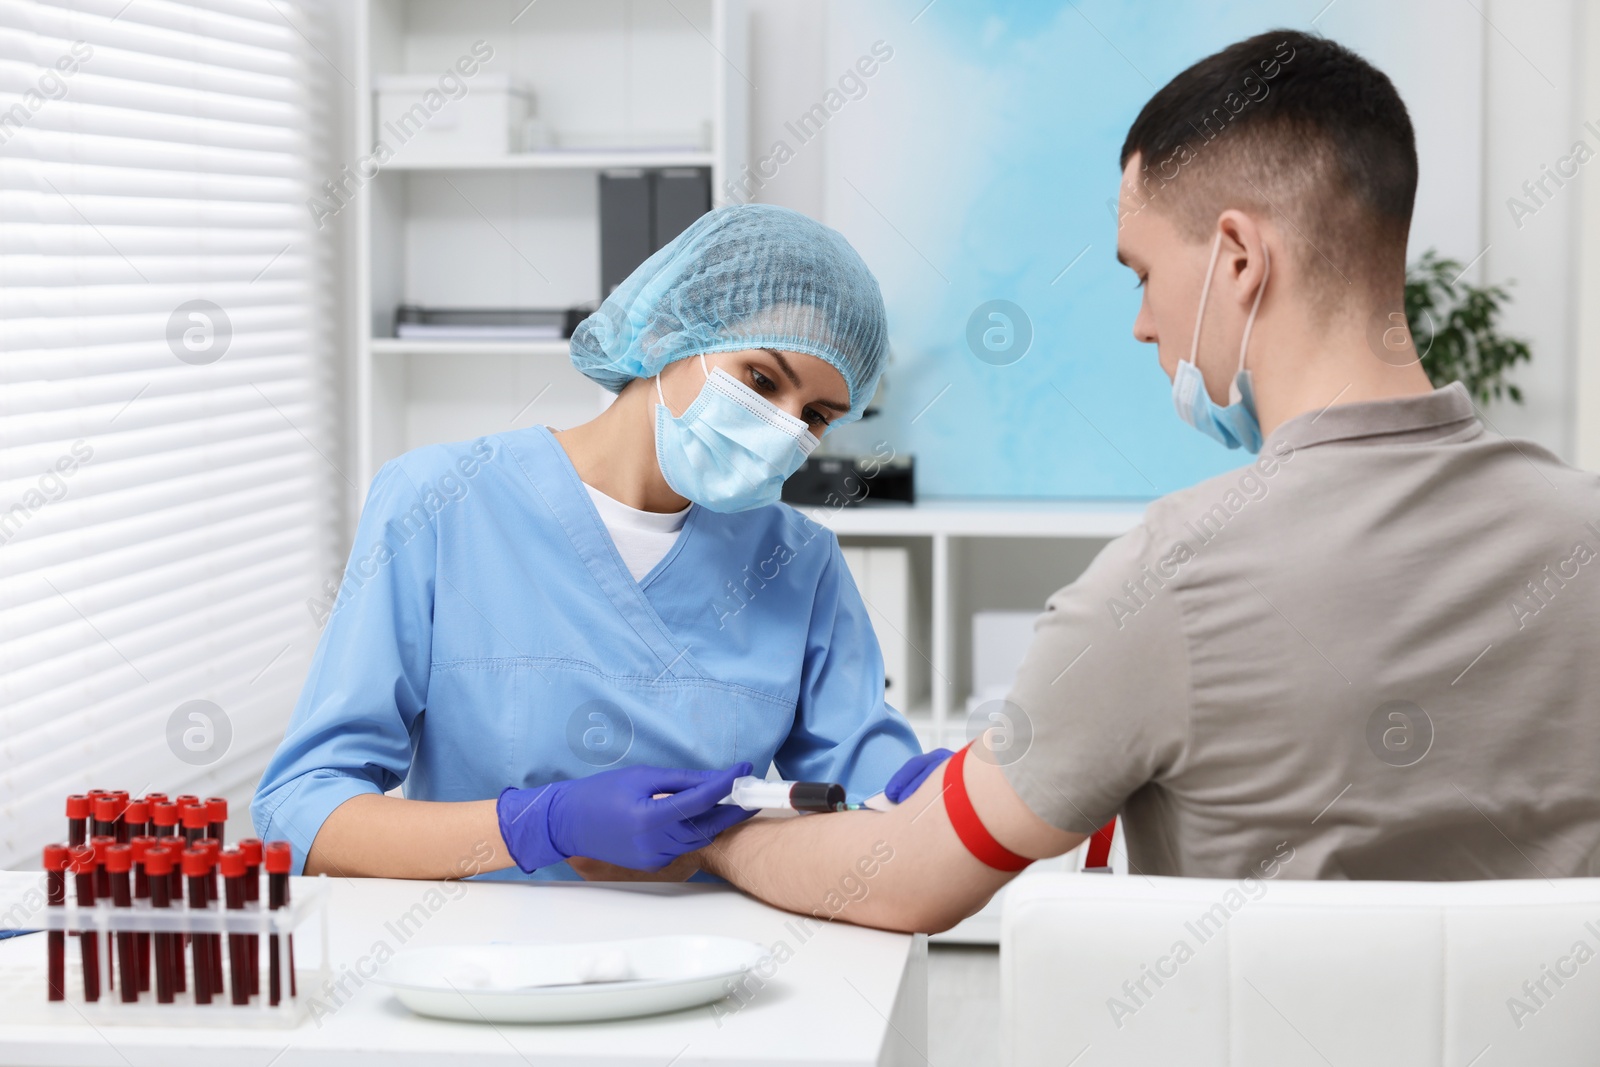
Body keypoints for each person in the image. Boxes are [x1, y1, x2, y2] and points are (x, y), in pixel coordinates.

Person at [692, 29, 1600, 932]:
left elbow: (902, 879)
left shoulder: (1173, 580)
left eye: (1144, 274)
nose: (1141, 324)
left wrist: (713, 837)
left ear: (1239, 259)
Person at [251, 204, 922, 882]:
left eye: (815, 416)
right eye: (760, 379)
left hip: (711, 962)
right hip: (482, 969)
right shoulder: (439, 504)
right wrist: (538, 823)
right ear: (669, 329)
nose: (784, 428)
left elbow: (883, 810)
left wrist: (960, 792)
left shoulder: (797, 564)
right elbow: (302, 807)